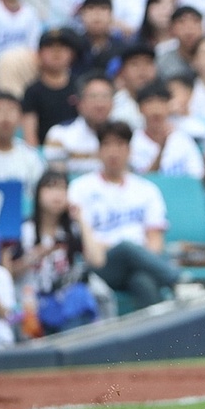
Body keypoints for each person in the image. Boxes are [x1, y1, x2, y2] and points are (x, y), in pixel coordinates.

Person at [67, 120, 181, 310]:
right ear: (98, 150)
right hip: (100, 265)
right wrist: (127, 249)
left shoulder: (146, 189)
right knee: (127, 248)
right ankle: (179, 279)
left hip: (138, 263)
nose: (113, 152)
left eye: (119, 145)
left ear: (129, 150)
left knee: (143, 281)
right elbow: (85, 245)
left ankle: (159, 336)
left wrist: (140, 257)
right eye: (107, 145)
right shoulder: (80, 188)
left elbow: (155, 243)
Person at [7, 170, 104, 336]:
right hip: (31, 305)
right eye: (50, 187)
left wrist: (80, 219)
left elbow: (98, 260)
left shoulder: (71, 230)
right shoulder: (24, 230)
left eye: (62, 188)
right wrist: (36, 255)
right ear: (37, 193)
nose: (57, 194)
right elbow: (8, 274)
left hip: (66, 304)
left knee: (80, 297)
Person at [129, 82, 205, 179]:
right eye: (149, 102)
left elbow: (196, 177)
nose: (156, 108)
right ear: (139, 108)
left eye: (161, 101)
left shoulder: (183, 139)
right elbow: (141, 182)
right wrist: (161, 149)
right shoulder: (133, 142)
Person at [0, 92, 45, 197]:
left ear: (21, 117)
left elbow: (39, 195)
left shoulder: (31, 156)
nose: (5, 116)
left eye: (11, 110)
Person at [21, 28, 78, 147]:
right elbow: (30, 135)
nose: (56, 52)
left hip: (78, 152)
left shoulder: (79, 86)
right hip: (44, 152)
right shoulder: (32, 92)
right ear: (39, 54)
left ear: (72, 54)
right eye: (50, 47)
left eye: (62, 47)